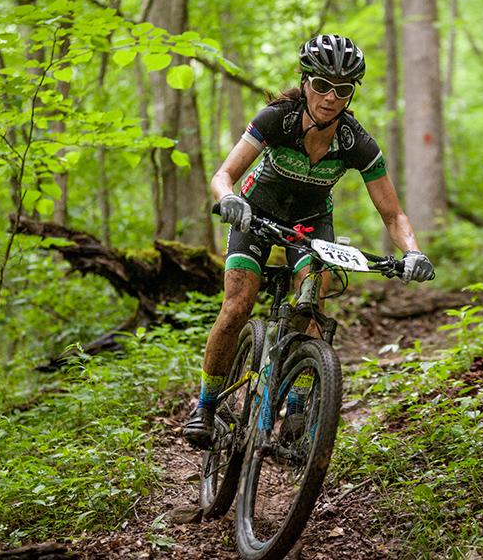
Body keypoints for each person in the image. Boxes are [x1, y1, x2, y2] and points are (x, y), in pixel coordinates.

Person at [183, 34, 434, 448]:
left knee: (312, 305)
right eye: (321, 85)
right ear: (304, 82)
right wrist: (228, 200)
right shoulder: (276, 119)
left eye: (343, 90)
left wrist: (413, 252)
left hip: (310, 225)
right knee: (237, 305)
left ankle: (298, 407)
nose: (330, 97)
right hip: (255, 213)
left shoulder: (356, 142)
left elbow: (394, 214)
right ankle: (206, 406)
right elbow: (222, 175)